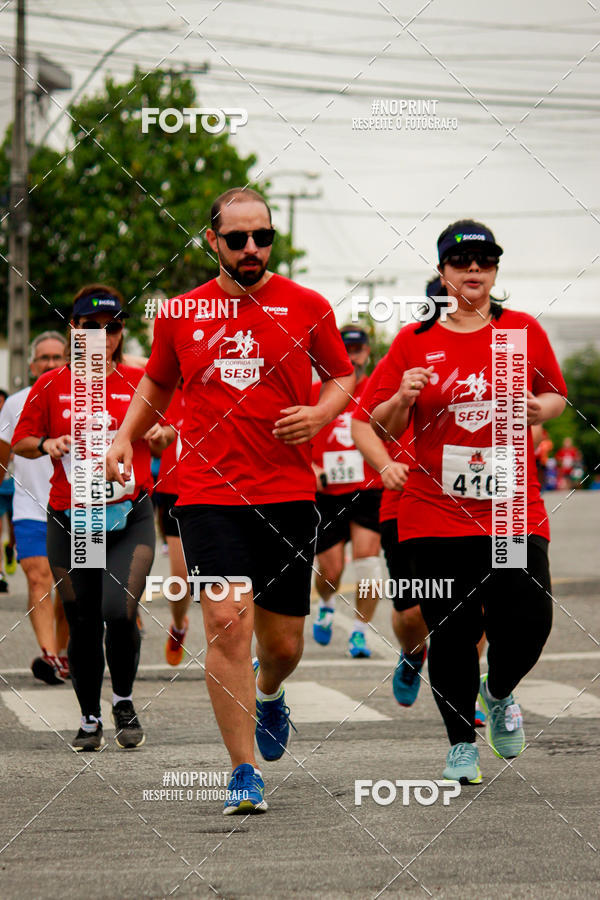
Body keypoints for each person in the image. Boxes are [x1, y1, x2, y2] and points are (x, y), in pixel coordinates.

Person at [105, 187, 355, 814]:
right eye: (238, 238)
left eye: (262, 237)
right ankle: (243, 771)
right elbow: (159, 383)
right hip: (209, 492)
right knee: (225, 620)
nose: (252, 249)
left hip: (288, 492)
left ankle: (271, 694)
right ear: (212, 240)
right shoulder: (180, 314)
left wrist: (320, 413)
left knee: (284, 647)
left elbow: (342, 375)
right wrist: (122, 435)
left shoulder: (307, 307)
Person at [370, 220, 567, 784]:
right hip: (435, 509)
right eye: (461, 263)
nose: (473, 270)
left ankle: (499, 690)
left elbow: (555, 394)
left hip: (510, 507)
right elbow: (376, 417)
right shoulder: (414, 339)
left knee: (529, 620)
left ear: (496, 271)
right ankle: (460, 741)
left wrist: (541, 410)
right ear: (443, 273)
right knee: (451, 630)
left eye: (484, 261)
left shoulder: (520, 330)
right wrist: (402, 398)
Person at [12, 285, 172, 751]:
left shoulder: (142, 383)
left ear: (123, 333)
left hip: (129, 515)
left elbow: (165, 430)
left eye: (113, 328)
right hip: (72, 518)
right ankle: (87, 717)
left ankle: (122, 701)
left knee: (118, 613)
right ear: (74, 330)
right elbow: (21, 441)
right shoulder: (50, 386)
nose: (102, 337)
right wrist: (47, 445)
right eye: (91, 328)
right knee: (82, 618)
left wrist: (160, 438)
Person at [0, 332, 70, 682]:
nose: (51, 364)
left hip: (76, 507)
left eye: (58, 357)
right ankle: (49, 656)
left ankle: (62, 652)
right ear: (31, 365)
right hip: (30, 507)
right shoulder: (14, 403)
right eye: (44, 358)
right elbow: (2, 456)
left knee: (72, 589)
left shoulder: (79, 399)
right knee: (38, 577)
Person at [310, 325, 383, 658]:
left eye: (358, 349)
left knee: (368, 563)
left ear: (367, 352)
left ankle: (359, 631)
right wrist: (311, 469)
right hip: (328, 491)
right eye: (346, 349)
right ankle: (325, 603)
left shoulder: (379, 390)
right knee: (332, 570)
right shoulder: (316, 391)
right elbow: (294, 435)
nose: (353, 355)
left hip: (368, 488)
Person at [153, 380, 192, 665]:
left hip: (217, 493)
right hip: (174, 493)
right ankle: (179, 625)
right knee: (181, 577)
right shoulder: (165, 391)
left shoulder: (220, 385)